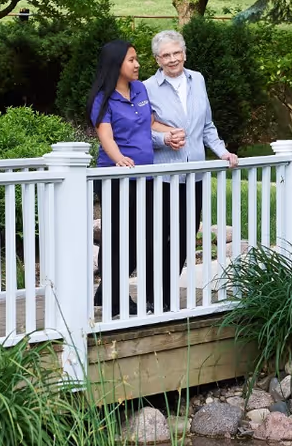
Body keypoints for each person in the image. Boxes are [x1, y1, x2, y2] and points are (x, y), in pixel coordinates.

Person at [144, 30, 238, 309]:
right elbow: (141, 130)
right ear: (157, 59)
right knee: (159, 237)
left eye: (177, 53)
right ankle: (153, 295)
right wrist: (164, 138)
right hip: (163, 176)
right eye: (166, 55)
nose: (173, 59)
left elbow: (206, 126)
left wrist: (222, 151)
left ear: (184, 53)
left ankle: (166, 289)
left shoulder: (197, 79)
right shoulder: (147, 87)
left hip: (194, 174)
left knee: (186, 236)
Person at [88, 39, 182, 317]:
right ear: (117, 65)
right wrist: (119, 159)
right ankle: (117, 295)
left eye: (137, 59)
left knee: (140, 237)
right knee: (120, 238)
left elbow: (150, 122)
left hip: (144, 178)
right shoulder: (102, 98)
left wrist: (172, 131)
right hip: (116, 179)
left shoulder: (139, 89)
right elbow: (105, 135)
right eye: (131, 60)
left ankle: (107, 291)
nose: (138, 64)